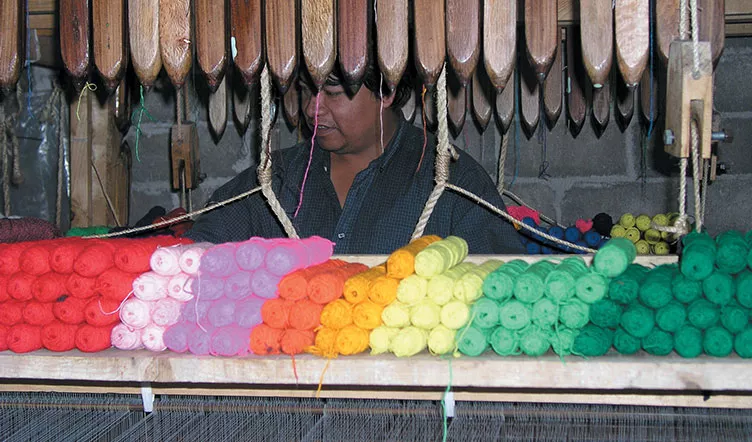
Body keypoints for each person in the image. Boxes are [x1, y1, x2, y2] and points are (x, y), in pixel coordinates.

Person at [184, 62, 524, 255]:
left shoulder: (453, 183)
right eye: (306, 91)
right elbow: (193, 257)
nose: (311, 109)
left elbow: (502, 288)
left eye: (332, 93)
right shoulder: (276, 180)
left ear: (387, 91)